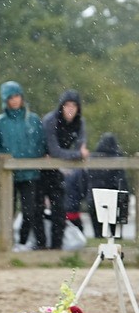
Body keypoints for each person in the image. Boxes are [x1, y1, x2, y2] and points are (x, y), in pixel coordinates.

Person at [0, 81, 46, 251]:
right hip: (8, 175)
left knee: (29, 212)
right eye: (10, 97)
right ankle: (7, 245)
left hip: (30, 174)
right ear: (5, 100)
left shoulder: (33, 120)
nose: (14, 100)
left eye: (17, 96)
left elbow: (41, 145)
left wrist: (33, 159)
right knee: (7, 212)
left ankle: (23, 243)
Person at [40, 90, 89, 250]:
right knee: (35, 211)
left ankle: (56, 248)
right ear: (61, 107)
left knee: (59, 211)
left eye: (74, 106)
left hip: (57, 171)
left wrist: (74, 155)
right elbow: (55, 150)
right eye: (67, 105)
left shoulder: (79, 123)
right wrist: (76, 154)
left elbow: (81, 147)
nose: (70, 109)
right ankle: (39, 248)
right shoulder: (50, 120)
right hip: (39, 169)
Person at [67, 133, 131, 238]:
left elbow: (83, 180)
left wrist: (86, 195)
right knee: (116, 235)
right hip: (113, 200)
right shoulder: (117, 160)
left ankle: (99, 245)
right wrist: (124, 200)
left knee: (98, 233)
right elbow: (121, 182)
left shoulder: (91, 159)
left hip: (94, 200)